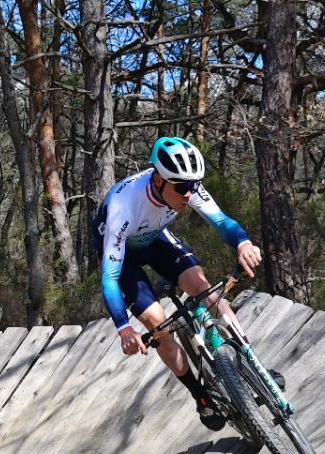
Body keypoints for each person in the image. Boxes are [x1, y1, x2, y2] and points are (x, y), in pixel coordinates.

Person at [90, 137, 262, 430]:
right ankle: (201, 397)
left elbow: (220, 221)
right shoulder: (123, 207)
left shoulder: (184, 182)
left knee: (205, 290)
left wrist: (243, 244)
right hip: (124, 260)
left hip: (155, 237)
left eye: (194, 185)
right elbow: (110, 278)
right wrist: (124, 328)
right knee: (160, 329)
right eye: (182, 188)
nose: (189, 193)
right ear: (158, 181)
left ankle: (254, 367)